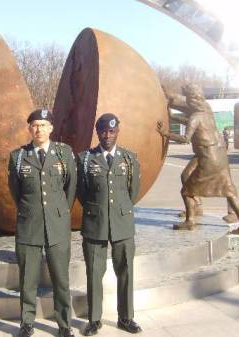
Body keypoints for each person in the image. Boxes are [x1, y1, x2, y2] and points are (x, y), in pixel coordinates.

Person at [8, 109, 77, 337]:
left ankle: (64, 324)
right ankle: (27, 322)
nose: (39, 129)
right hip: (29, 225)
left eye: (43, 125)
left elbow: (71, 187)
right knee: (28, 278)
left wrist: (59, 211)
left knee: (61, 278)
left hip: (57, 225)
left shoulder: (64, 153)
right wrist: (32, 210)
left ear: (51, 128)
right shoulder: (18, 156)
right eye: (35, 125)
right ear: (29, 128)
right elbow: (15, 191)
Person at [77, 113, 141, 335]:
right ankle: (94, 319)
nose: (107, 135)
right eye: (103, 131)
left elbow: (133, 192)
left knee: (126, 271)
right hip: (95, 223)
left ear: (117, 132)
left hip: (122, 223)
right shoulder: (85, 158)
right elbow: (82, 193)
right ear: (97, 132)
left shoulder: (129, 158)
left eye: (111, 131)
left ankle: (126, 317)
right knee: (94, 273)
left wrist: (117, 211)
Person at [157, 83, 239, 234]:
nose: (186, 102)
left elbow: (185, 138)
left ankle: (190, 221)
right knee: (230, 192)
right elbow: (191, 123)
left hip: (207, 158)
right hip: (219, 156)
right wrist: (172, 116)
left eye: (188, 98)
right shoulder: (206, 112)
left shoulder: (195, 117)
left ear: (191, 100)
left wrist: (165, 133)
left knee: (186, 191)